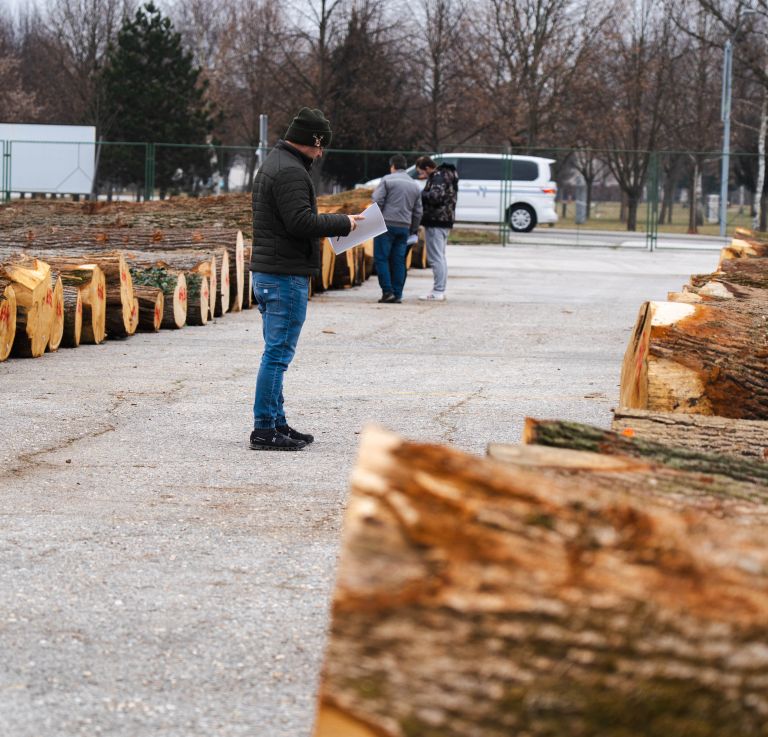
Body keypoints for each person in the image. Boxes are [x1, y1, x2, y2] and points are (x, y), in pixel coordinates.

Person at [249, 107, 364, 451]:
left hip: (272, 273)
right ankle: (264, 429)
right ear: (311, 141)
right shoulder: (291, 173)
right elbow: (300, 223)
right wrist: (344, 223)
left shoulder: (277, 164)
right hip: (284, 275)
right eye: (320, 145)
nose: (321, 152)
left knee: (275, 352)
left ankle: (276, 421)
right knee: (277, 355)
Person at [371, 154, 423, 304]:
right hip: (404, 227)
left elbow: (377, 200)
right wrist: (412, 229)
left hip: (385, 225)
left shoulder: (387, 179)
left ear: (392, 166)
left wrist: (375, 220)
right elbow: (418, 211)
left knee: (381, 258)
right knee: (398, 261)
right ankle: (398, 294)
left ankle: (387, 292)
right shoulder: (414, 185)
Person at [415, 156, 459, 301]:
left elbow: (435, 197)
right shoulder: (447, 175)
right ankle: (439, 289)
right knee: (440, 256)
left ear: (427, 168)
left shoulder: (438, 177)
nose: (420, 176)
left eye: (421, 172)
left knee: (435, 258)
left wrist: (420, 193)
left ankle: (438, 291)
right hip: (444, 220)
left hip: (436, 221)